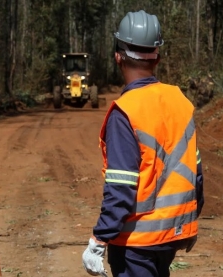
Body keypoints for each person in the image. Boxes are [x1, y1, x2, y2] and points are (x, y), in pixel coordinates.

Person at [82, 10, 204, 277]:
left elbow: (122, 187)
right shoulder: (180, 102)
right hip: (172, 235)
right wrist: (188, 219)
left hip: (136, 243)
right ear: (157, 57)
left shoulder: (125, 112)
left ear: (118, 56)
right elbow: (196, 173)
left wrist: (99, 240)